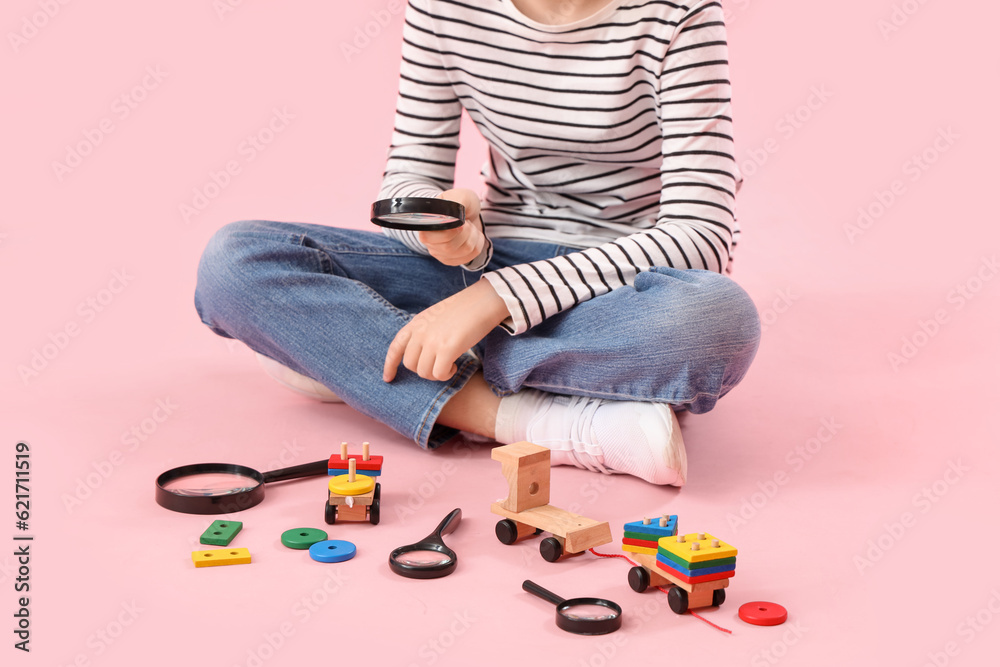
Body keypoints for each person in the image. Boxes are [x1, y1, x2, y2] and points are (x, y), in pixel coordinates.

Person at [194, 0, 761, 486]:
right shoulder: (443, 7)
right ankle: (536, 423)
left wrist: (495, 299)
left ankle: (355, 356)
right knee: (235, 261)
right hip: (489, 253)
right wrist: (438, 227)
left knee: (716, 319)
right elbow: (407, 180)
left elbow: (700, 234)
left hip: (623, 282)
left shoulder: (680, 13)